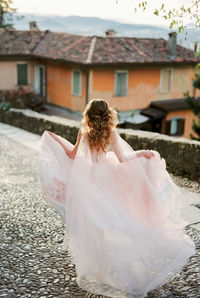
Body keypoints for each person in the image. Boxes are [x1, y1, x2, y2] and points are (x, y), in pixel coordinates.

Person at [39, 99, 195, 298]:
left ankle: (98, 260)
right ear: (108, 114)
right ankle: (125, 248)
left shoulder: (84, 133)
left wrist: (56, 139)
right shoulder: (111, 133)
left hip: (91, 179)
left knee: (96, 219)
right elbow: (123, 159)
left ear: (89, 114)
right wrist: (144, 153)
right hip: (108, 176)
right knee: (117, 214)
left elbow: (71, 155)